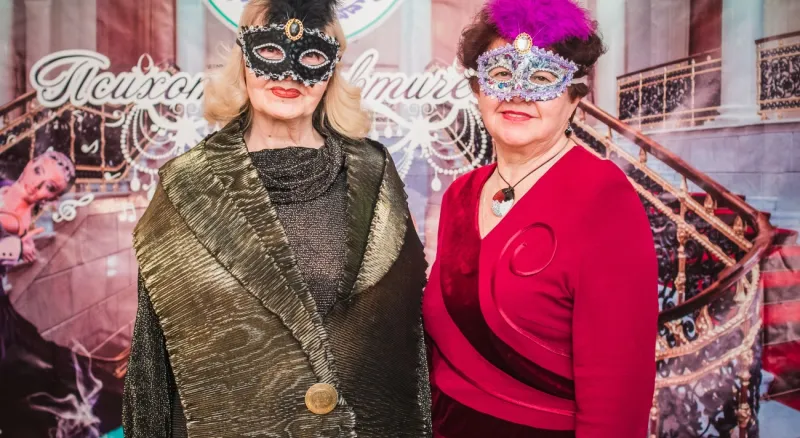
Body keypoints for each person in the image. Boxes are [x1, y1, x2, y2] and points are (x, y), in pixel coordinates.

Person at [122, 0, 431, 437]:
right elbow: (151, 360)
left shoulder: (374, 174)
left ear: (331, 70)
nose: (289, 75)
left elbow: (407, 343)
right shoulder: (187, 186)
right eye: (270, 51)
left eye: (311, 57)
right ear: (243, 59)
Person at [422, 0, 659, 437]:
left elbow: (617, 401)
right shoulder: (460, 195)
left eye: (543, 78)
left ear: (575, 98)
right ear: (478, 89)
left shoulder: (605, 200)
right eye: (500, 74)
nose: (517, 94)